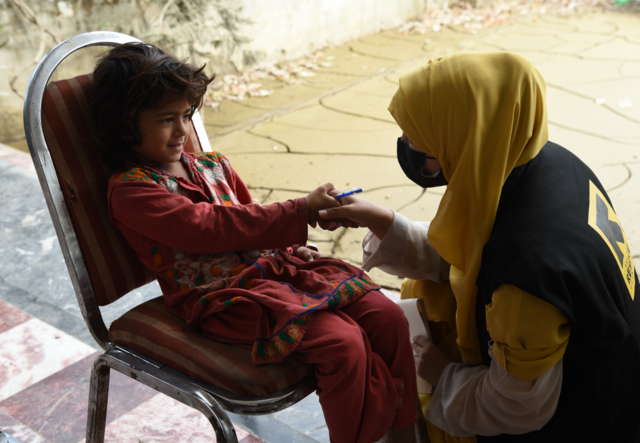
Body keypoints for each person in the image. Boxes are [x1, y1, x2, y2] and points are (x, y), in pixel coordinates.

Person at [91, 42, 419, 443]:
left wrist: (290, 249)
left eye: (185, 115)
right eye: (166, 120)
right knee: (342, 343)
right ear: (125, 125)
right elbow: (208, 228)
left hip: (277, 275)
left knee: (386, 316)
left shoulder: (214, 166)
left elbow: (250, 219)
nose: (182, 130)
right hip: (222, 298)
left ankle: (404, 435)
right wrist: (300, 211)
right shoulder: (131, 191)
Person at [319, 51, 640, 442]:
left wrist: (443, 374)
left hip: (584, 418)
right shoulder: (542, 161)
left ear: (465, 132)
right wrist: (383, 222)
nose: (406, 142)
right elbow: (478, 250)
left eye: (416, 131)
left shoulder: (526, 275)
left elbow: (517, 406)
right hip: (619, 366)